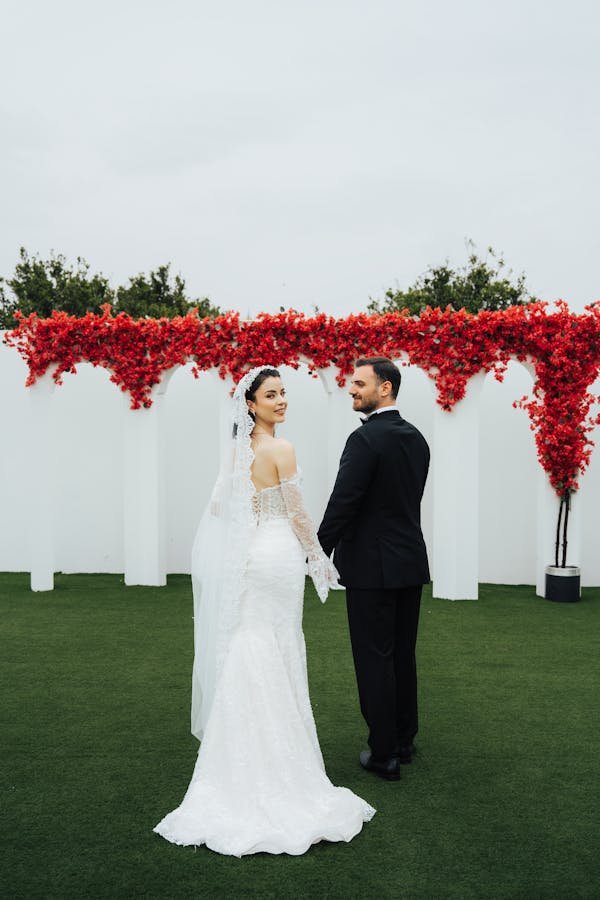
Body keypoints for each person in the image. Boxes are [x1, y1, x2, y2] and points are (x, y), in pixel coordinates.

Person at [154, 366, 375, 856]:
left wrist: (251, 525)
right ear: (250, 404)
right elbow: (298, 514)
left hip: (252, 558)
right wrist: (319, 561)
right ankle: (282, 765)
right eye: (271, 395)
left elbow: (220, 509)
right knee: (277, 645)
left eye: (283, 393)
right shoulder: (282, 449)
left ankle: (236, 763)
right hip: (278, 558)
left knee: (249, 641)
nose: (281, 401)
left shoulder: (237, 453)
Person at [318, 357, 430, 782]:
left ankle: (384, 754)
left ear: (385, 388)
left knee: (373, 659)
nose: (352, 389)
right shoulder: (416, 438)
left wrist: (315, 551)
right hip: (409, 563)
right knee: (401, 655)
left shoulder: (364, 440)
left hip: (371, 568)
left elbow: (343, 502)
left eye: (360, 383)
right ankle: (403, 740)